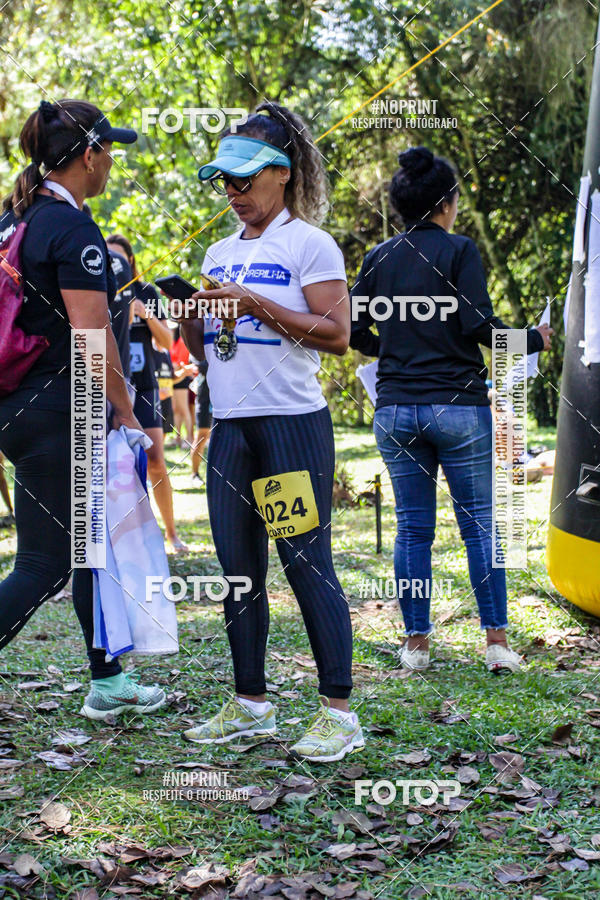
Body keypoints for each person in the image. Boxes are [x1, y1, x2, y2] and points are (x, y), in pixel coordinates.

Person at [177, 101, 364, 762]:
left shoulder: (309, 244)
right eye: (224, 182)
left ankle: (338, 712)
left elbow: (338, 335)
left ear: (282, 174)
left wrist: (254, 301)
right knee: (237, 573)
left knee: (305, 562)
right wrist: (191, 313)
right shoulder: (219, 251)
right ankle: (250, 703)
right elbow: (209, 350)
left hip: (289, 428)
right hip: (231, 430)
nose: (233, 193)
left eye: (246, 180)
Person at [350, 146, 553, 674]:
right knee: (481, 525)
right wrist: (535, 338)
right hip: (458, 408)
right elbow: (478, 328)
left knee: (412, 528)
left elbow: (351, 332)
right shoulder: (459, 251)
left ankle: (416, 646)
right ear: (445, 203)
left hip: (396, 412)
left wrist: (392, 349)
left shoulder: (378, 258)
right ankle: (497, 645)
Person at [0, 99, 165, 718]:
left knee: (87, 545)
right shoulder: (72, 229)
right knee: (44, 564)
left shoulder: (14, 219)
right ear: (89, 155)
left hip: (18, 404)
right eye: (109, 151)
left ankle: (110, 681)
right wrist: (126, 414)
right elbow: (93, 342)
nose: (113, 163)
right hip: (55, 411)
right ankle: (109, 680)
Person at [106, 234, 188, 554]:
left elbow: (168, 341)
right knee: (115, 463)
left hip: (144, 384)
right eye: (108, 257)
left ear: (131, 262)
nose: (114, 264)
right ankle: (122, 537)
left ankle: (171, 533)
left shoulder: (146, 292)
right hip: (113, 383)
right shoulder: (99, 289)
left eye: (119, 258)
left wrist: (144, 313)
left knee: (155, 459)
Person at [170, 325, 195, 448]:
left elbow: (181, 362)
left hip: (182, 377)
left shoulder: (181, 340)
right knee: (176, 409)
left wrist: (173, 365)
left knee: (184, 409)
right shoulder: (172, 341)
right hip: (172, 376)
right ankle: (178, 437)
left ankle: (190, 438)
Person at [190, 358, 211, 486]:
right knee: (201, 437)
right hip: (205, 399)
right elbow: (198, 366)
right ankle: (195, 474)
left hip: (222, 399)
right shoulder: (200, 348)